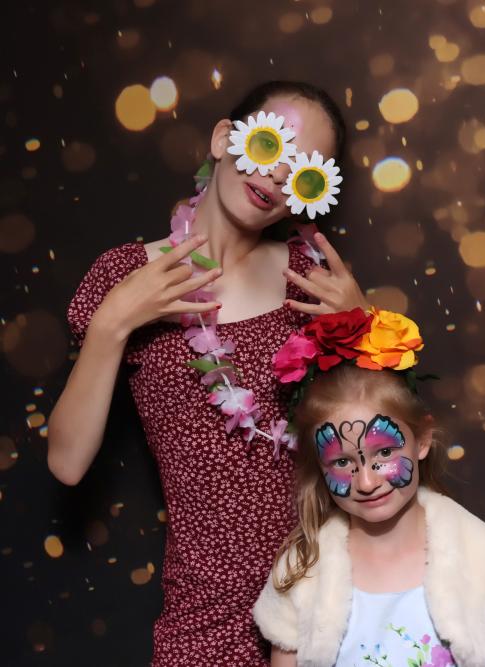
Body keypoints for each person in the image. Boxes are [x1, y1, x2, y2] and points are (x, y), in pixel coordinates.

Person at [48, 80, 366, 664]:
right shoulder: (128, 275)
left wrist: (360, 332)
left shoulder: (313, 281)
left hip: (331, 600)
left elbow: (378, 444)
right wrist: (113, 322)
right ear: (224, 139)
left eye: (302, 172)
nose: (277, 175)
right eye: (270, 145)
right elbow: (66, 464)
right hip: (207, 612)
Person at [254, 308, 485, 666]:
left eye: (385, 452)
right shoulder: (301, 570)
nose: (367, 481)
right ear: (320, 465)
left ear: (422, 439)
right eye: (342, 462)